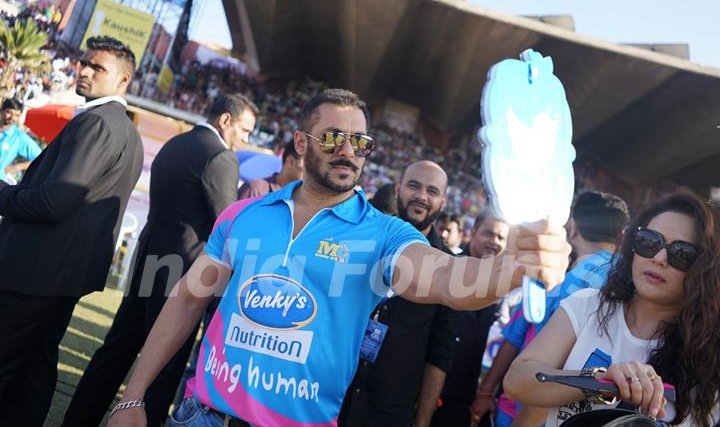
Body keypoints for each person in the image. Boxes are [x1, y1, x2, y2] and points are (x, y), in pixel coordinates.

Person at [108, 88, 570, 427]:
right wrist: (134, 397)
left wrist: (509, 269)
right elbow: (188, 299)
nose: (349, 151)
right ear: (303, 143)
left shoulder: (384, 232)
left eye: (360, 143)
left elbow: (448, 279)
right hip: (200, 417)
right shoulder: (242, 215)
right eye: (332, 138)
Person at [62, 94, 258, 427]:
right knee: (164, 369)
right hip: (180, 277)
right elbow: (227, 227)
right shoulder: (221, 157)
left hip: (147, 262)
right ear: (226, 121)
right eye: (245, 129)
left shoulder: (176, 143)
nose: (246, 139)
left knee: (114, 354)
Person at [0, 35, 144, 426]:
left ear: (123, 79)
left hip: (35, 274)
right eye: (84, 63)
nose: (84, 71)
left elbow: (55, 201)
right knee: (33, 374)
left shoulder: (98, 122)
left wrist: (4, 195)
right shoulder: (123, 128)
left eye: (97, 67)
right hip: (56, 277)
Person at [504, 191, 720, 427]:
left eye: (682, 254)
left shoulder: (709, 357)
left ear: (705, 269)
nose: (659, 258)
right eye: (649, 241)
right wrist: (600, 381)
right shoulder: (588, 304)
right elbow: (517, 380)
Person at [470, 190, 629, 427]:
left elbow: (513, 338)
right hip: (571, 417)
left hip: (515, 407)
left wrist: (485, 392)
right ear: (622, 236)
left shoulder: (548, 277)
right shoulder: (627, 283)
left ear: (572, 228)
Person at [339, 161, 462, 427]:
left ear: (443, 200)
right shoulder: (362, 241)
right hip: (331, 396)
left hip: (389, 412)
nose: (421, 196)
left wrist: (422, 422)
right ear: (398, 188)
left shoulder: (448, 268)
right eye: (414, 186)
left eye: (432, 191)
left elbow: (440, 354)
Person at [431, 209, 510, 427]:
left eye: (501, 237)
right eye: (488, 233)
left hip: (463, 398)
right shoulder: (446, 267)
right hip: (427, 388)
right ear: (473, 232)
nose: (494, 242)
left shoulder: (504, 287)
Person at [238, 138, 304, 199]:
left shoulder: (302, 203)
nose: (312, 170)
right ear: (291, 161)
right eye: (308, 163)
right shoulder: (256, 191)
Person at [0, 97, 41, 183]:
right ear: (2, 110)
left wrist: (16, 167)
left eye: (16, 115)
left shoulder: (19, 137)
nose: (12, 117)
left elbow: (40, 158)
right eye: (9, 112)